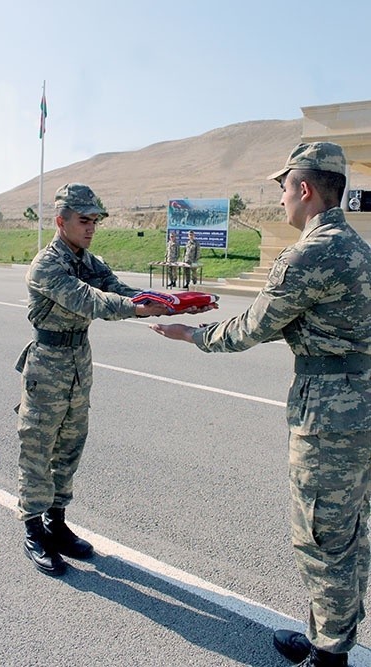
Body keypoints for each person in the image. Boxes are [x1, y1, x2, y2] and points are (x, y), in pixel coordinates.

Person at [150, 142, 371, 667]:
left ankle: (331, 656)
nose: (278, 201)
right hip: (361, 404)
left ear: (305, 189)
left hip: (329, 416)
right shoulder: (361, 250)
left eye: (282, 189)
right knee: (348, 531)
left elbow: (251, 327)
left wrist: (192, 333)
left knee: (321, 536)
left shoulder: (309, 254)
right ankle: (327, 637)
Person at [15, 182, 198, 578]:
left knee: (69, 445)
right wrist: (138, 309)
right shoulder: (48, 265)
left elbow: (116, 288)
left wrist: (165, 302)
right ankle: (33, 529)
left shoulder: (88, 259)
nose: (91, 228)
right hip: (47, 364)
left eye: (95, 221)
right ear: (60, 221)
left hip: (79, 361)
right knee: (38, 446)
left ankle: (56, 522)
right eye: (84, 220)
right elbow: (91, 301)